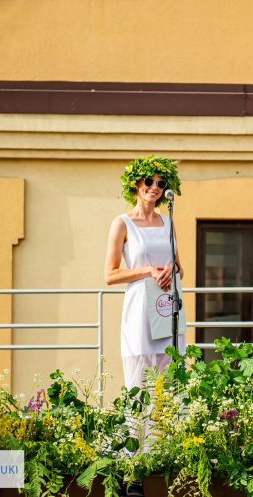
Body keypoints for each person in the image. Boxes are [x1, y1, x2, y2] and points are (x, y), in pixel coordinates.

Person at [104, 155, 185, 389]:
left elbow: (181, 268)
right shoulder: (122, 223)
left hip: (167, 304)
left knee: (170, 379)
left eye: (161, 183)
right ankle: (139, 428)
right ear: (136, 184)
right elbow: (110, 275)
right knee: (141, 380)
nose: (154, 187)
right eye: (149, 181)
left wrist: (172, 268)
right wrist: (148, 270)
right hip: (140, 307)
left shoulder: (169, 223)